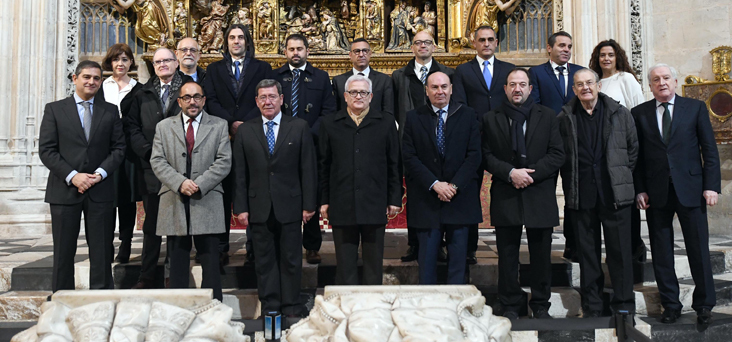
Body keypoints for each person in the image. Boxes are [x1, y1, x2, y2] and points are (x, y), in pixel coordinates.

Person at [633, 64, 720, 326]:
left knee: (698, 250)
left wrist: (711, 186)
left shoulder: (694, 108)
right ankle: (670, 304)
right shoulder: (639, 114)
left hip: (691, 189)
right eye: (656, 79)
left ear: (675, 81)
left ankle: (704, 304)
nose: (662, 83)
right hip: (656, 192)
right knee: (661, 252)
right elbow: (636, 158)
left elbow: (710, 150)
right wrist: (640, 189)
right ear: (650, 86)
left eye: (666, 78)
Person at [482, 68, 564, 320]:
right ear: (505, 89)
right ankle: (510, 303)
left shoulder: (548, 116)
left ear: (530, 88)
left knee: (541, 255)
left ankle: (540, 304)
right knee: (507, 255)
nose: (517, 89)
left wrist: (529, 174)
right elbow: (485, 155)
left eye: (522, 84)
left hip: (539, 192)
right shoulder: (490, 118)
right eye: (512, 84)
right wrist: (510, 173)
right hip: (507, 192)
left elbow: (557, 153)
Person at [233, 79, 317, 318]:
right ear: (257, 101)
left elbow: (308, 169)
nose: (267, 101)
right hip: (258, 206)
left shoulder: (299, 126)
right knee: (264, 261)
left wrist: (309, 204)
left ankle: (291, 305)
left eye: (272, 96)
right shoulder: (246, 130)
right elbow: (240, 172)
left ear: (281, 99)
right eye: (263, 97)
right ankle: (270, 305)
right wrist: (241, 207)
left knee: (291, 259)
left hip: (291, 205)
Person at [39, 60, 125, 292]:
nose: (91, 82)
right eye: (86, 77)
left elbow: (119, 149)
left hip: (100, 190)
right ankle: (62, 299)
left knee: (101, 251)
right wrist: (73, 176)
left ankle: (101, 299)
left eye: (96, 78)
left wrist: (99, 174)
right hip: (64, 190)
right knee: (63, 252)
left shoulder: (110, 110)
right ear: (75, 78)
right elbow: (47, 150)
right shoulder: (55, 109)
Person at [557, 68, 637, 318]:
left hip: (614, 194)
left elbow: (632, 150)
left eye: (589, 83)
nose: (585, 88)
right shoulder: (565, 117)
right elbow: (562, 155)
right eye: (579, 85)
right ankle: (593, 305)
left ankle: (624, 304)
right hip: (582, 195)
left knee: (620, 254)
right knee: (588, 255)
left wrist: (618, 174)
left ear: (599, 86)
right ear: (574, 90)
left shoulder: (620, 113)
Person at [150, 81, 231, 301]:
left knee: (211, 262)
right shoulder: (164, 127)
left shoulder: (219, 125)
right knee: (176, 261)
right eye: (187, 97)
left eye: (197, 97)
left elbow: (224, 161)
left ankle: (214, 311)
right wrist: (179, 183)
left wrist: (200, 184)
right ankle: (179, 310)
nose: (192, 101)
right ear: (179, 101)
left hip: (207, 198)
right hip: (175, 198)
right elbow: (157, 160)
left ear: (204, 100)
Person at [319, 75, 402, 285]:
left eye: (363, 92)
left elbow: (394, 163)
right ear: (345, 96)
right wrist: (324, 200)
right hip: (341, 201)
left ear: (371, 96)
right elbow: (323, 165)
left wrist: (394, 198)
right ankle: (348, 309)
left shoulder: (385, 123)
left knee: (373, 264)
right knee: (345, 265)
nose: (358, 96)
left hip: (374, 201)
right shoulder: (330, 123)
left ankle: (372, 311)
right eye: (353, 92)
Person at [402, 71, 482, 285]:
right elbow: (409, 157)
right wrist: (435, 184)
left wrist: (453, 186)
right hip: (428, 199)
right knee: (426, 262)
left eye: (444, 86)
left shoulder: (468, 115)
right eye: (434, 87)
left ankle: (456, 304)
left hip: (459, 199)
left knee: (458, 262)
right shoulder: (413, 117)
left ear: (451, 89)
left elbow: (474, 156)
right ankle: (427, 307)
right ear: (426, 91)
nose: (440, 91)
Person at [203, 24, 272, 265]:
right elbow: (210, 100)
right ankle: (221, 246)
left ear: (247, 41)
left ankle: (254, 247)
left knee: (253, 192)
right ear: (226, 42)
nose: (236, 41)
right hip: (222, 139)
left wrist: (245, 124)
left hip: (253, 136)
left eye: (241, 37)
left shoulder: (262, 67)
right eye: (232, 37)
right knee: (222, 194)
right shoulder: (212, 69)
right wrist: (231, 122)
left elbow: (265, 97)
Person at [125, 48, 193, 289]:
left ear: (176, 63)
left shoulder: (191, 89)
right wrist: (147, 151)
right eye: (157, 62)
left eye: (167, 60)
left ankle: (175, 275)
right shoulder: (142, 93)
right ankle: (147, 276)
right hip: (151, 169)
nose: (162, 64)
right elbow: (131, 127)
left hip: (182, 168)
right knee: (152, 226)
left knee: (179, 226)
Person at [269, 34, 338, 264]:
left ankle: (311, 245)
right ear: (285, 52)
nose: (295, 53)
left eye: (299, 48)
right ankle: (284, 242)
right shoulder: (275, 77)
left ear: (307, 50)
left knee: (311, 194)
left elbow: (328, 111)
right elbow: (269, 108)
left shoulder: (320, 77)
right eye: (291, 49)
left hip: (312, 144)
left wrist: (306, 134)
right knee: (284, 193)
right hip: (281, 147)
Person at [452, 25, 515, 264]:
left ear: (496, 42)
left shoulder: (509, 70)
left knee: (505, 192)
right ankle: (469, 249)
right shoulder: (462, 71)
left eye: (490, 40)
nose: (486, 43)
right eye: (481, 40)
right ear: (474, 42)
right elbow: (460, 105)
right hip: (474, 140)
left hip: (504, 140)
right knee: (469, 194)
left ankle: (507, 247)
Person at [392, 30, 454, 262]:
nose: (423, 46)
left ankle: (440, 244)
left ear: (434, 47)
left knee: (441, 193)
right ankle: (415, 243)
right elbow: (393, 110)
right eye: (418, 43)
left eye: (427, 42)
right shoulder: (399, 76)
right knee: (417, 195)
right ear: (412, 47)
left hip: (440, 142)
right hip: (411, 143)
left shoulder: (448, 74)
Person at [589, 39, 647, 266]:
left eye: (610, 55)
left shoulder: (626, 78)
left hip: (623, 149)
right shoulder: (595, 81)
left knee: (626, 202)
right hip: (599, 152)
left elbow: (638, 111)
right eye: (602, 55)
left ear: (617, 57)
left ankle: (634, 248)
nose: (606, 59)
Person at [528, 30, 582, 261]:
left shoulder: (580, 72)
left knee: (574, 193)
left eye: (569, 46)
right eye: (561, 46)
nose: (566, 50)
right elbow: (536, 106)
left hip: (576, 141)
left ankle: (574, 244)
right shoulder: (537, 72)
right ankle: (543, 243)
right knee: (545, 193)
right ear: (549, 48)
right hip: (547, 142)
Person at [98, 43, 143, 264]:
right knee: (106, 198)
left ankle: (125, 244)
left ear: (130, 62)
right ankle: (105, 243)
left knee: (126, 199)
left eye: (125, 59)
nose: (120, 64)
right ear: (110, 62)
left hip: (128, 152)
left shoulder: (139, 89)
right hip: (104, 150)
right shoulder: (101, 86)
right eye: (117, 60)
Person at [332, 38, 394, 117]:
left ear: (370, 53)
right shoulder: (339, 81)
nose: (361, 54)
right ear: (350, 55)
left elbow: (388, 112)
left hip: (376, 127)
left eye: (365, 51)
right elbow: (335, 113)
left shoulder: (384, 80)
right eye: (357, 51)